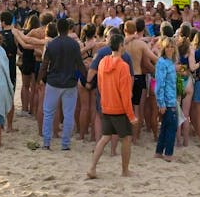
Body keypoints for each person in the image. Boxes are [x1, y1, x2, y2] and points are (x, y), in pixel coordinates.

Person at [87, 33, 137, 179]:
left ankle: (92, 168)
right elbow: (125, 94)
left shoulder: (102, 62)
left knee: (105, 138)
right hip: (119, 109)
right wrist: (131, 115)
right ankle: (125, 171)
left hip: (106, 106)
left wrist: (103, 103)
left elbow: (100, 86)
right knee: (126, 139)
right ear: (121, 46)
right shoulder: (123, 66)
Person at [40, 17, 83, 151]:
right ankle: (65, 144)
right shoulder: (74, 44)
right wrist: (84, 78)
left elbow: (45, 64)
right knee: (68, 114)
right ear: (69, 29)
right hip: (70, 82)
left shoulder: (51, 44)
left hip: (53, 81)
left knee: (48, 113)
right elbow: (80, 64)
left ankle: (47, 142)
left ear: (58, 29)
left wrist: (41, 79)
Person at [153, 36, 178, 161]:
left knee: (165, 126)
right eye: (167, 46)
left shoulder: (170, 62)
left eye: (172, 46)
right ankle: (168, 153)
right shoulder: (162, 62)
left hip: (172, 98)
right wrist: (161, 103)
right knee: (172, 127)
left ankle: (159, 151)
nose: (170, 49)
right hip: (167, 101)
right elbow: (159, 84)